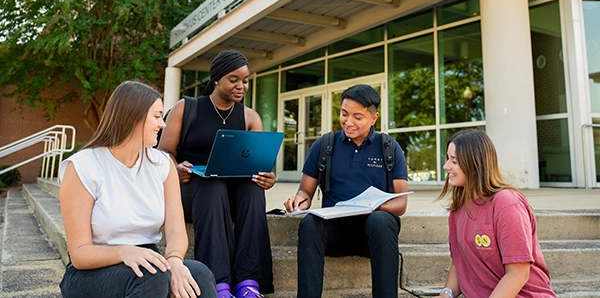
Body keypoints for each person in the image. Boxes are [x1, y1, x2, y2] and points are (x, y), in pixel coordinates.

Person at [59, 81, 216, 298]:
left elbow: (176, 230)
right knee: (150, 274)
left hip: (149, 262)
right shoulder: (83, 166)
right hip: (92, 271)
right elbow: (79, 254)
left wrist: (175, 261)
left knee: (197, 273)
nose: (163, 124)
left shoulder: (162, 164)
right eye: (157, 116)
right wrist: (124, 252)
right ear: (133, 117)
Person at [158, 50, 275, 298]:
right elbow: (164, 153)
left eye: (245, 80)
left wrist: (267, 177)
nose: (241, 86)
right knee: (213, 186)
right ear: (216, 79)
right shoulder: (186, 108)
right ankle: (218, 284)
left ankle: (248, 283)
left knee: (253, 188)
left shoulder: (250, 117)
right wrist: (175, 168)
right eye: (234, 79)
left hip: (232, 198)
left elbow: (256, 163)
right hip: (193, 193)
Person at [283, 84, 409, 298]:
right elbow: (305, 191)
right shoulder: (324, 145)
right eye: (344, 114)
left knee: (381, 221)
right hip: (334, 234)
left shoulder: (389, 148)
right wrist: (298, 201)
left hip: (373, 236)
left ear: (373, 118)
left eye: (357, 117)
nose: (348, 122)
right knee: (310, 223)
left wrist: (369, 208)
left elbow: (401, 204)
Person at [435, 129, 556, 298]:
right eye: (448, 158)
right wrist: (445, 294)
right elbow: (460, 264)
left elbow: (518, 274)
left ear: (475, 164)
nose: (446, 166)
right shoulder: (459, 208)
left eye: (453, 161)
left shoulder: (507, 203)